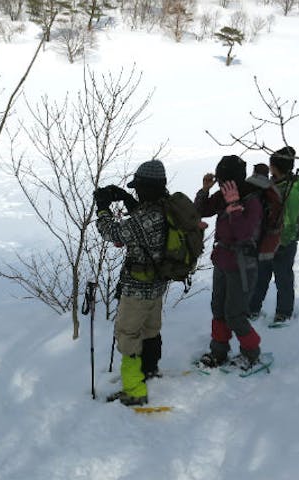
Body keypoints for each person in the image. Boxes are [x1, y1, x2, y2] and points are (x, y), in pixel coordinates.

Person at [94, 159, 170, 406]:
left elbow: (111, 232)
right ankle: (149, 371)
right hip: (158, 285)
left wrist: (103, 208)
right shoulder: (167, 208)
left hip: (137, 288)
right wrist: (126, 198)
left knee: (128, 336)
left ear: (145, 188)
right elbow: (143, 223)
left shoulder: (144, 219)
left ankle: (134, 390)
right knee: (150, 330)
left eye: (137, 188)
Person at [194, 155, 263, 369]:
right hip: (222, 261)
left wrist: (234, 206)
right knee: (218, 309)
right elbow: (201, 210)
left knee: (235, 314)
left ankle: (251, 353)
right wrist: (205, 189)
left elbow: (244, 234)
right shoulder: (224, 194)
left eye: (225, 180)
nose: (223, 185)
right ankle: (219, 351)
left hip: (243, 265)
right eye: (221, 181)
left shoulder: (252, 200)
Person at [249, 146, 299, 327]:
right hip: (268, 240)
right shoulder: (272, 185)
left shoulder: (292, 190)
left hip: (283, 244)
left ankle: (283, 314)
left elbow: (291, 222)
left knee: (283, 279)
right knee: (261, 277)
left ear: (274, 166)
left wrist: (282, 242)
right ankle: (252, 309)